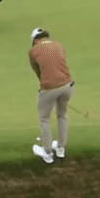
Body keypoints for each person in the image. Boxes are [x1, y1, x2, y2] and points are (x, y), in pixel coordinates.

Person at [28, 28, 74, 163]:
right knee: (62, 114)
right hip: (67, 85)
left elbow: (38, 72)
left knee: (43, 118)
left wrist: (45, 85)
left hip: (49, 88)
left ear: (35, 40)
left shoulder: (33, 50)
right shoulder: (58, 44)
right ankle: (60, 149)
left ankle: (47, 153)